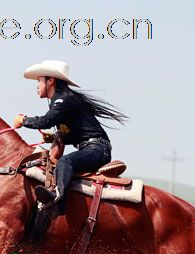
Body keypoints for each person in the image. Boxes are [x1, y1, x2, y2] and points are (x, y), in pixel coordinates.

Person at [13, 60, 127, 218]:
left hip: (97, 149)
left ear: (51, 80)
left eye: (39, 81)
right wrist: (54, 138)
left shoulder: (64, 99)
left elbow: (46, 121)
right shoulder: (61, 101)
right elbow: (64, 135)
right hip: (94, 148)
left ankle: (57, 203)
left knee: (66, 162)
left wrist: (24, 120)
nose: (37, 86)